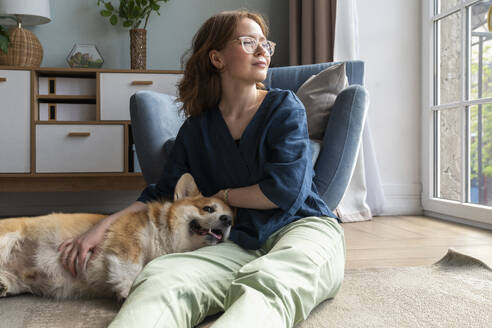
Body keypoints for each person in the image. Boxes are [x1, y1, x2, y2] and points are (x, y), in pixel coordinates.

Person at [58, 9, 346, 328]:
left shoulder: (284, 106)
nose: (263, 49)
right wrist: (103, 226)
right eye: (249, 41)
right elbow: (162, 193)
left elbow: (284, 191)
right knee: (161, 278)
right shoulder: (196, 129)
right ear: (217, 58)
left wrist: (222, 194)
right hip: (236, 240)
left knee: (270, 283)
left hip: (300, 228)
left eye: (266, 43)